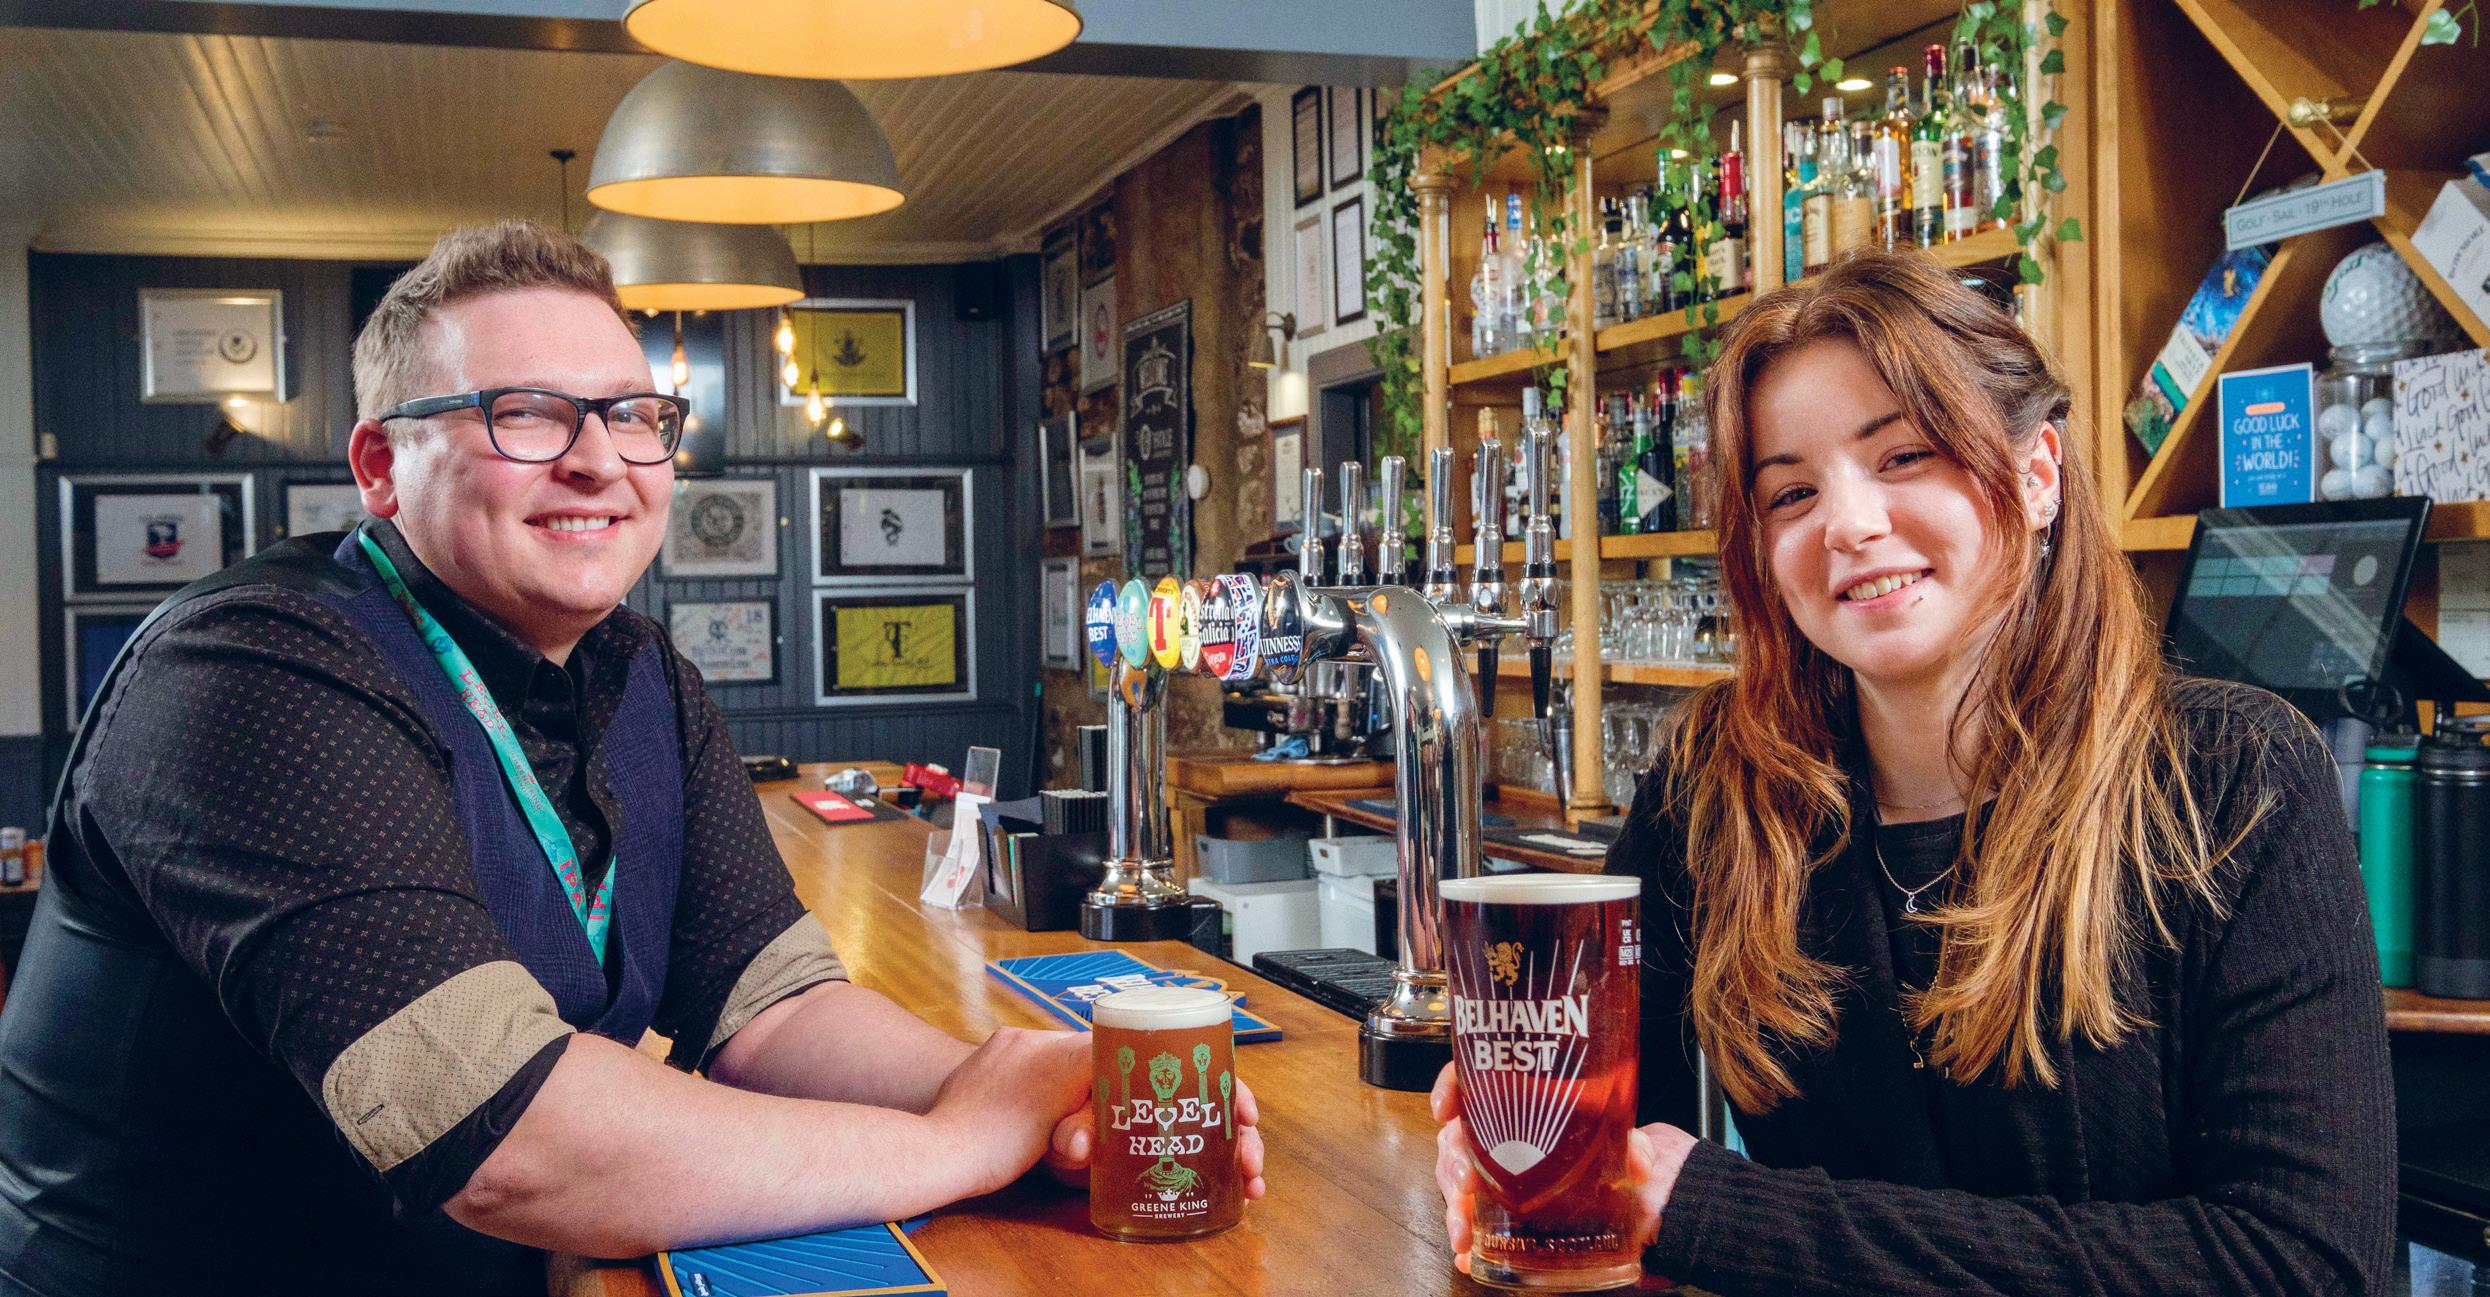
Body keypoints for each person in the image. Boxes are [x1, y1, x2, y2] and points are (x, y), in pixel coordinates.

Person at [0, 221, 1264, 1297]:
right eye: (525, 414)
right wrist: (958, 1145)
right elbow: (510, 1138)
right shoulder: (253, 673)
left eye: (633, 415)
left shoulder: (640, 671)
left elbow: (771, 1009)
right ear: (382, 466)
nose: (600, 459)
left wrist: (1030, 1094)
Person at [1431, 250, 2394, 1295]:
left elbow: (2299, 1263)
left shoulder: (2235, 779)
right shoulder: (1718, 793)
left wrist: (1725, 1213)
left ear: (2036, 475)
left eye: (1902, 456)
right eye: (1791, 492)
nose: (1848, 523)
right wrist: (1524, 1153)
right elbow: (1609, 1142)